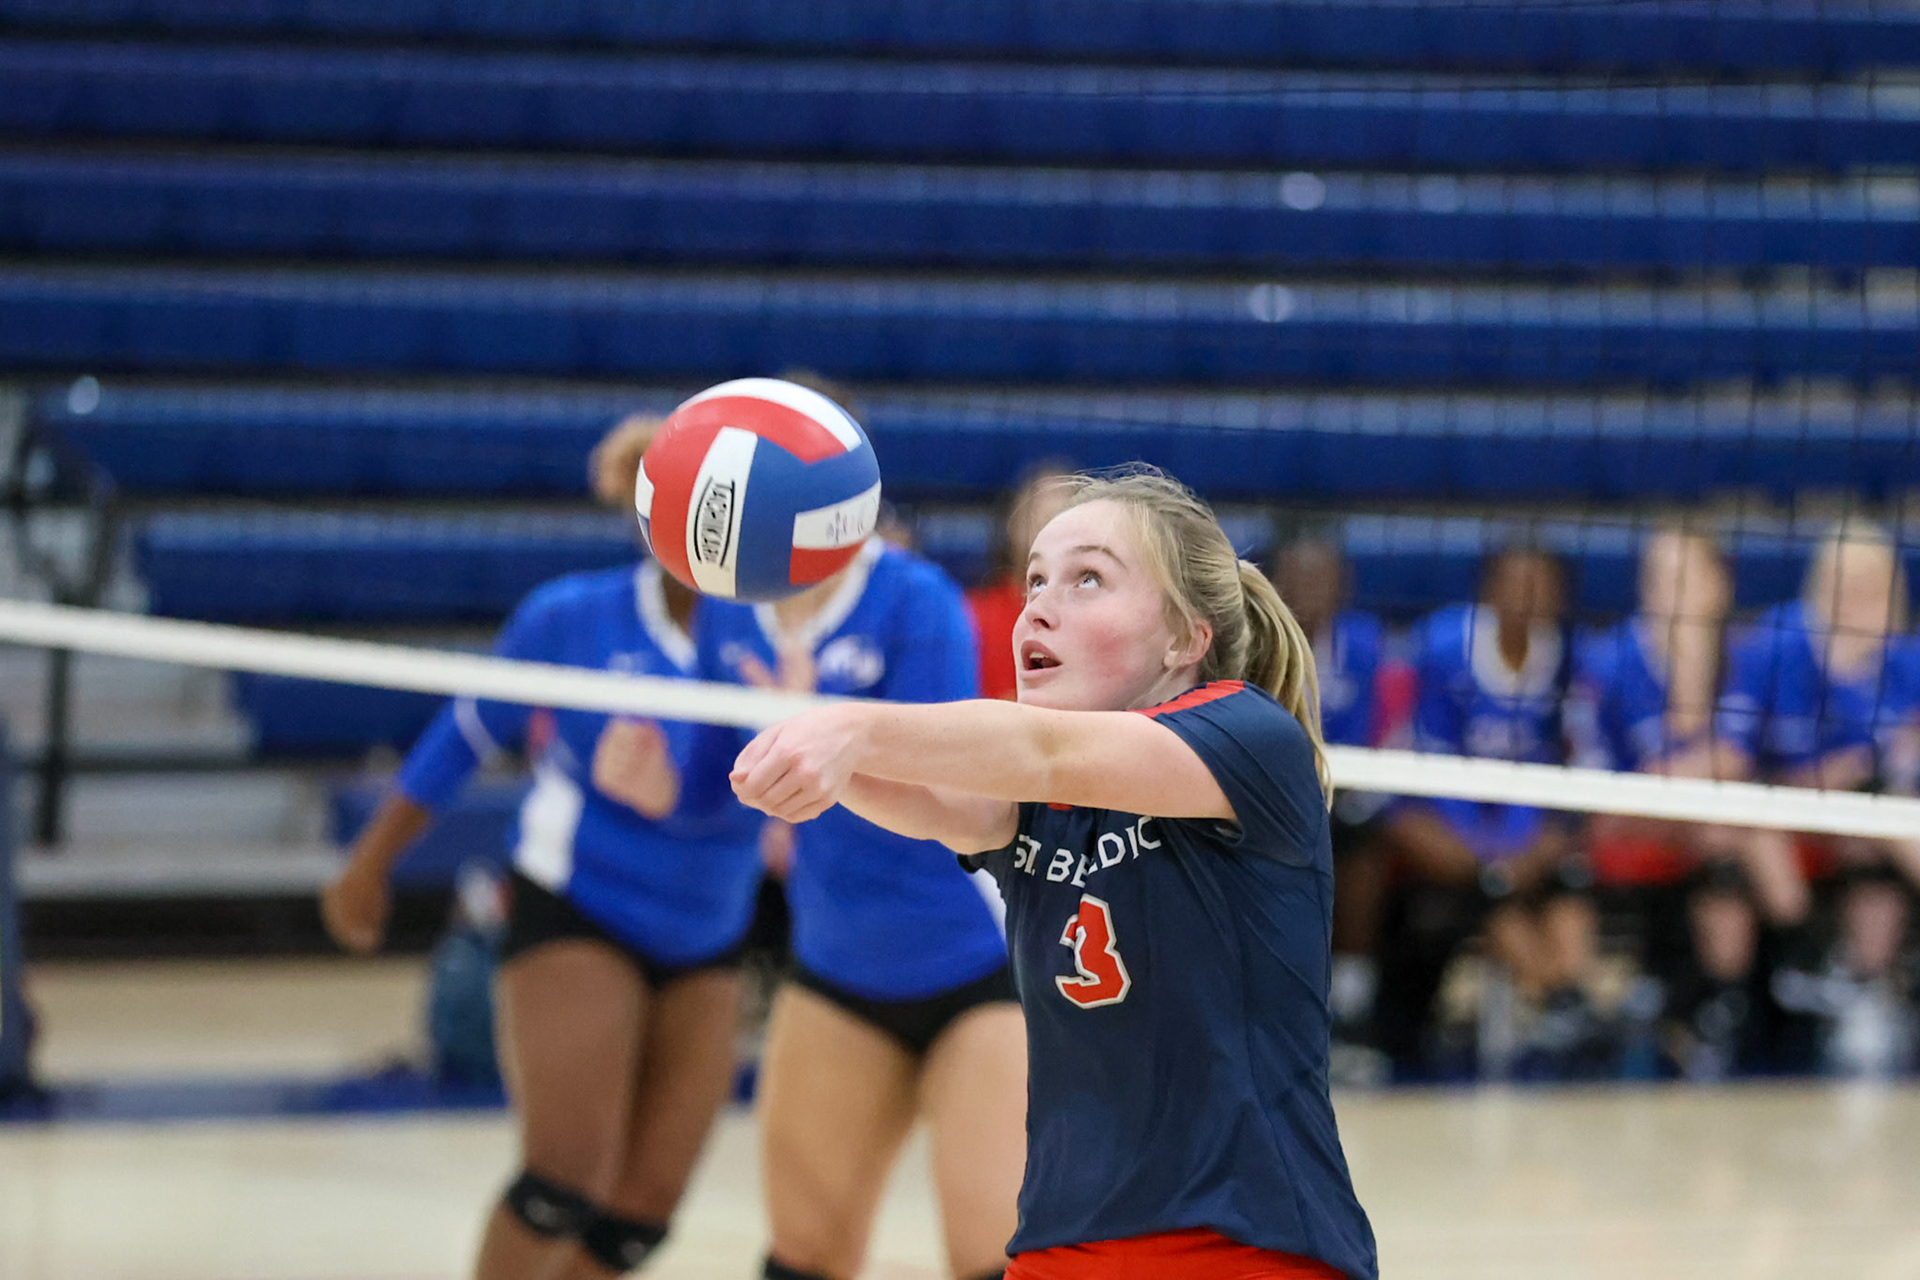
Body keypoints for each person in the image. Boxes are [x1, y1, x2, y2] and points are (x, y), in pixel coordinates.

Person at [722, 467, 1377, 1280]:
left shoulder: (1250, 738)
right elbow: (932, 797)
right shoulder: (1039, 796)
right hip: (1062, 1251)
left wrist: (846, 725)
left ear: (1184, 637)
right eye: (1035, 578)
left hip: (1243, 1243)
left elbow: (1038, 748)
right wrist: (806, 730)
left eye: (1087, 578)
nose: (1039, 604)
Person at [321, 414, 763, 1280]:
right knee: (565, 1179)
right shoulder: (570, 617)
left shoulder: (769, 639)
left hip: (711, 932)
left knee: (642, 1213)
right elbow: (462, 737)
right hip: (580, 905)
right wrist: (370, 863)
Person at [699, 388, 1025, 1280]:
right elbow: (709, 786)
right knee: (803, 1259)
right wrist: (652, 787)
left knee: (992, 1260)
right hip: (839, 968)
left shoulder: (915, 599)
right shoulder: (727, 613)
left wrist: (818, 731)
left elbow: (941, 794)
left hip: (977, 972)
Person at [1568, 526, 1789, 1078]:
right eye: (1658, 578)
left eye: (1686, 578)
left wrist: (1692, 668)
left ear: (1720, 586)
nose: (1671, 591)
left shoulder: (1746, 656)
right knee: (1740, 830)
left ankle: (1717, 1006)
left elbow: (1734, 761)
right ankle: (1765, 981)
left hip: (1704, 819)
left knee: (1731, 837)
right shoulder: (1610, 658)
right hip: (1620, 816)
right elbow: (1605, 793)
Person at [1383, 544, 1604, 1076]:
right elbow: (1425, 778)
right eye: (1514, 583)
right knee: (1481, 882)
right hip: (1443, 827)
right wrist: (1491, 858)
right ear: (1487, 592)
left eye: (1542, 585)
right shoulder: (1441, 649)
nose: (1528, 598)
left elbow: (1574, 777)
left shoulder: (1571, 661)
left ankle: (1564, 1000)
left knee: (1568, 876)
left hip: (1527, 835)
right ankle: (1557, 1004)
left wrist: (1526, 855)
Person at [1717, 521, 1920, 1074]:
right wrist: (1843, 772)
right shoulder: (1771, 645)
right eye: (1842, 581)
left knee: (1884, 828)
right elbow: (1733, 762)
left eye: (1868, 583)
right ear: (1819, 583)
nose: (1854, 596)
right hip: (1777, 809)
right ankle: (1804, 959)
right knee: (1761, 825)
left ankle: (1861, 985)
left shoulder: (1905, 660)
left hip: (1865, 820)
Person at [1271, 535, 1396, 1059]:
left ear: (1342, 587)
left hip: (1338, 796)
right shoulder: (1254, 639)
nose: (1310, 591)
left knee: (1366, 843)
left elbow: (1377, 736)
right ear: (1275, 586)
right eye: (1299, 580)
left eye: (1322, 579)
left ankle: (1350, 1002)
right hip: (1270, 793)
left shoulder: (1363, 645)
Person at [967, 461, 1076, 700]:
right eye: (1044, 520)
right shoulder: (970, 616)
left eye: (1066, 523)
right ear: (1013, 527)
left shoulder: (1097, 624)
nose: (1054, 537)